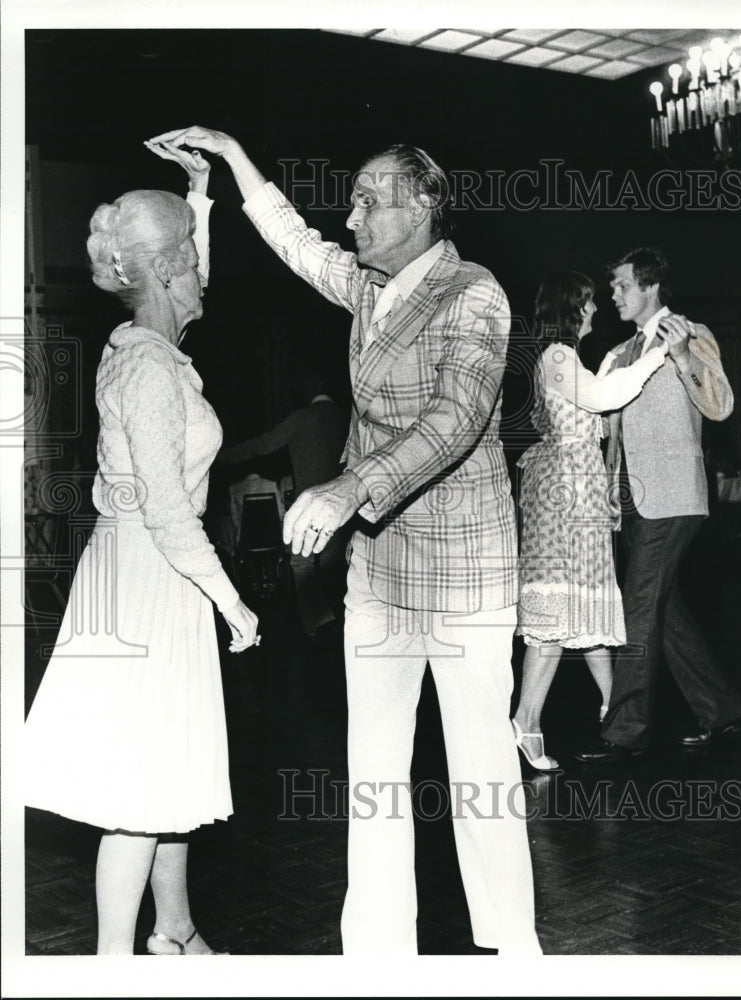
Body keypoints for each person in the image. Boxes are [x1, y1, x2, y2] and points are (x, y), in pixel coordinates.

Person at [148, 125, 541, 956]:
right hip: (380, 572)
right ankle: (374, 954)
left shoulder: (474, 294)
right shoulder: (368, 288)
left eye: (370, 200)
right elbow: (294, 240)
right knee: (373, 776)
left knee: (480, 776)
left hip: (468, 571)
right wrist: (233, 159)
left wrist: (349, 485)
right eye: (353, 199)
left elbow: (458, 418)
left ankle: (514, 953)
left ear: (426, 204)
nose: (352, 214)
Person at [24, 146, 259, 955]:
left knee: (168, 773)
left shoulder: (147, 343)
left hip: (152, 575)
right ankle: (113, 965)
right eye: (189, 261)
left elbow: (190, 269)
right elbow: (165, 509)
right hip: (150, 579)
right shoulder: (150, 373)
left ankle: (176, 934)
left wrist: (201, 195)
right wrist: (231, 599)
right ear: (162, 270)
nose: (204, 274)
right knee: (135, 797)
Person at [575, 247, 741, 764]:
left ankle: (625, 729)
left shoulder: (689, 333)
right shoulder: (624, 349)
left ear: (650, 287)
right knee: (663, 611)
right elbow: (612, 428)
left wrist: (684, 357)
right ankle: (724, 709)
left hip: (673, 495)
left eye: (622, 286)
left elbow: (721, 405)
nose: (613, 295)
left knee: (638, 607)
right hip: (630, 500)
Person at [511, 271, 669, 771]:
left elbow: (593, 400)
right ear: (570, 309)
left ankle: (614, 710)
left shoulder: (565, 361)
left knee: (588, 613)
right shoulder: (557, 357)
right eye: (587, 304)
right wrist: (658, 354)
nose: (595, 311)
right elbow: (605, 399)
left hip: (577, 490)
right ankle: (525, 722)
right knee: (557, 617)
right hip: (566, 496)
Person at [218, 373, 348, 635]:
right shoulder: (345, 418)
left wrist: (219, 456)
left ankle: (319, 630)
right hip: (344, 509)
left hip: (312, 510)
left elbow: (261, 446)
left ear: (312, 385)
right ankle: (336, 628)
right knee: (337, 567)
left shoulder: (303, 417)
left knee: (301, 565)